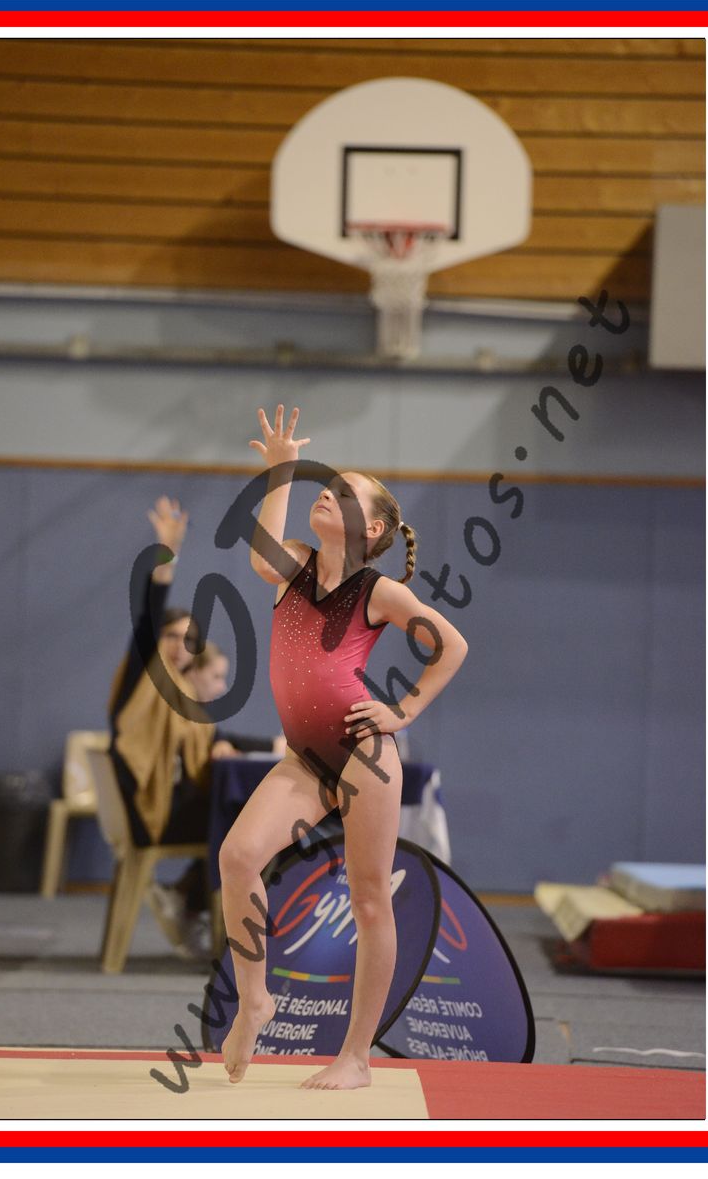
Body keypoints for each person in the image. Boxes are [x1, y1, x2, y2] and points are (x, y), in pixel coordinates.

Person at [218, 405, 469, 1090]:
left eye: (345, 494)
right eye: (326, 487)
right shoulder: (295, 565)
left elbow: (451, 646)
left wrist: (403, 709)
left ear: (373, 529)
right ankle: (255, 1001)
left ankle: (356, 1056)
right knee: (238, 857)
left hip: (364, 758)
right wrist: (280, 472)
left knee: (368, 900)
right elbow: (258, 553)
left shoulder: (377, 591)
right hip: (305, 758)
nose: (327, 494)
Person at [107, 497, 284, 958]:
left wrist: (272, 743)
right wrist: (168, 552)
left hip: (163, 806)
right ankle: (212, 913)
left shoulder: (180, 699)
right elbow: (148, 615)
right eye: (171, 637)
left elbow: (213, 738)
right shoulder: (142, 680)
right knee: (255, 815)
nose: (179, 646)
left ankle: (193, 898)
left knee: (254, 813)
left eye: (188, 639)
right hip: (149, 812)